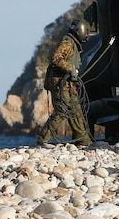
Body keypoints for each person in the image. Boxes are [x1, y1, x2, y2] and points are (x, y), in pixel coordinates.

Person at [37, 19, 94, 147]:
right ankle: (42, 140)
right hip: (60, 83)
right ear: (81, 31)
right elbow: (56, 59)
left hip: (68, 83)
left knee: (76, 110)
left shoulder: (74, 43)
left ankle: (84, 140)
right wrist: (71, 69)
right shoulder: (68, 43)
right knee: (61, 111)